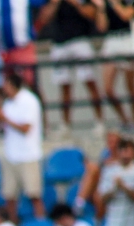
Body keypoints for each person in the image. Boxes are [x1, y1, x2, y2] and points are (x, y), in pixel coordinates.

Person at [35, 0, 103, 136]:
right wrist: (55, 3)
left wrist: (75, 3)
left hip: (80, 40)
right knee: (64, 85)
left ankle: (100, 121)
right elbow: (44, 19)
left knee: (89, 80)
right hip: (60, 43)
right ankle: (66, 124)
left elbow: (91, 14)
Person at [0, 72, 43, 223]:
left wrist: (4, 118)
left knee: (34, 195)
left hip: (28, 155)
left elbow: (26, 128)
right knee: (10, 197)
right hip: (11, 155)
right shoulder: (8, 103)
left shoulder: (30, 101)